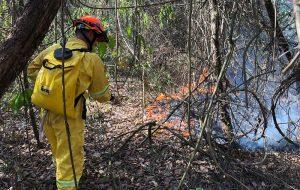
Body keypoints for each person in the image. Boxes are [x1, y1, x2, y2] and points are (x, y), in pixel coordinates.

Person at [27, 15, 111, 190]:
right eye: (97, 39)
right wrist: (109, 97)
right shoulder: (91, 59)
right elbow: (100, 95)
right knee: (69, 162)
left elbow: (31, 70)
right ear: (89, 33)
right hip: (69, 119)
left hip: (46, 113)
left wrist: (51, 86)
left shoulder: (54, 48)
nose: (96, 44)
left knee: (59, 154)